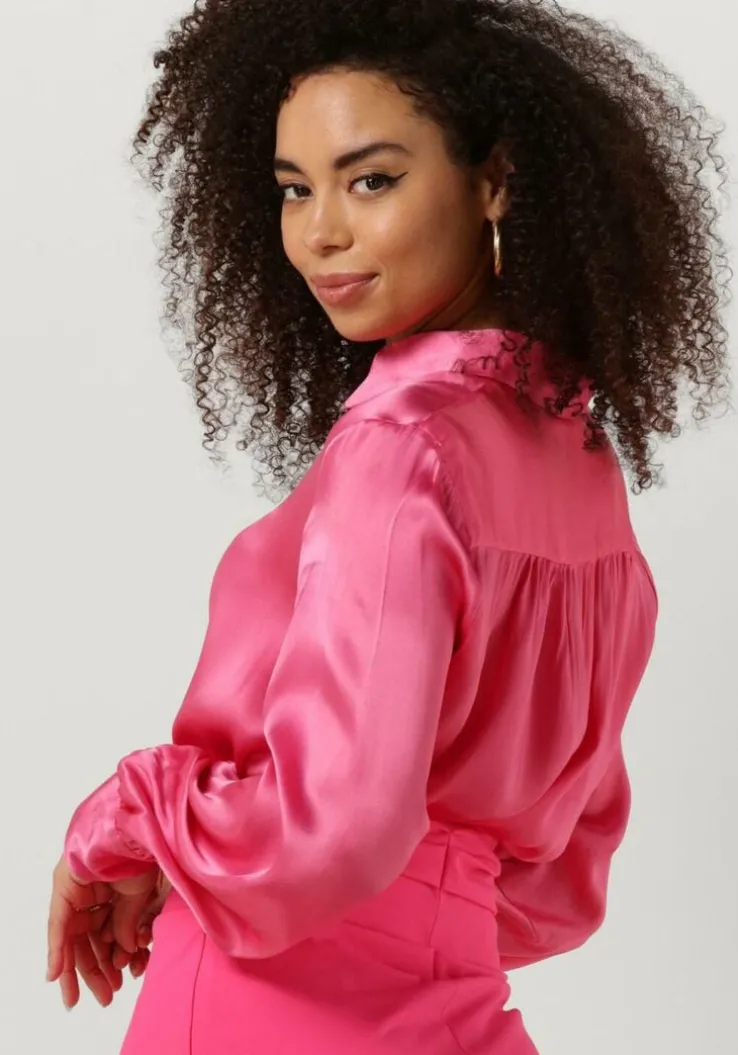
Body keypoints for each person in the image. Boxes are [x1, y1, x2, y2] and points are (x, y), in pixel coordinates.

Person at [46, 1, 730, 1052]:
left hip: (259, 1005)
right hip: (449, 1001)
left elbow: (338, 829)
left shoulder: (402, 446)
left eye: (371, 179)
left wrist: (129, 822)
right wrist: (414, 913)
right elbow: (565, 871)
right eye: (294, 188)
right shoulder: (579, 460)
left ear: (495, 179)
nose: (320, 231)